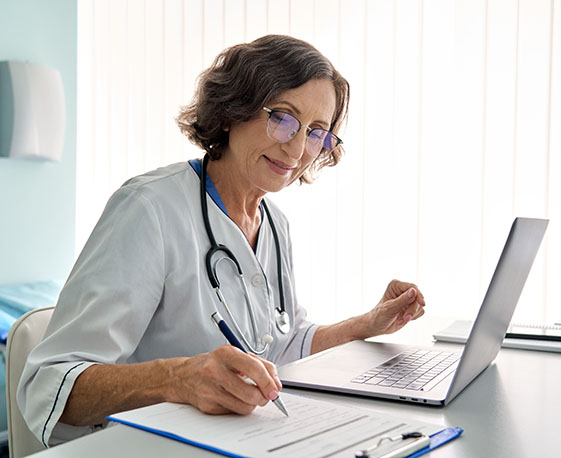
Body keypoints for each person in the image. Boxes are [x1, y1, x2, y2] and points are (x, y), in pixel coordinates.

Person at [17, 34, 426, 447]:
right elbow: (48, 387)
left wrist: (367, 324)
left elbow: (283, 347)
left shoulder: (273, 223)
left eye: (317, 131)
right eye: (283, 118)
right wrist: (176, 379)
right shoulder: (149, 209)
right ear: (233, 110)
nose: (299, 148)